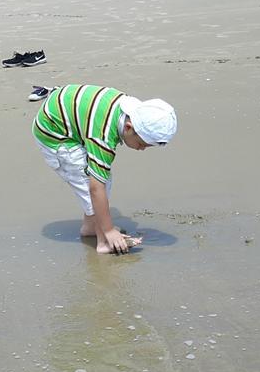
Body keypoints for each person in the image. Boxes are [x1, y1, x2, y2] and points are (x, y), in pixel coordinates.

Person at [32, 84, 177, 254]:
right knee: (89, 182)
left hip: (66, 118)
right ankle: (104, 240)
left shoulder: (129, 108)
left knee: (102, 177)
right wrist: (109, 230)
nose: (142, 149)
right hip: (55, 136)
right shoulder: (102, 137)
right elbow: (95, 188)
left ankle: (91, 227)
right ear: (129, 127)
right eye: (141, 144)